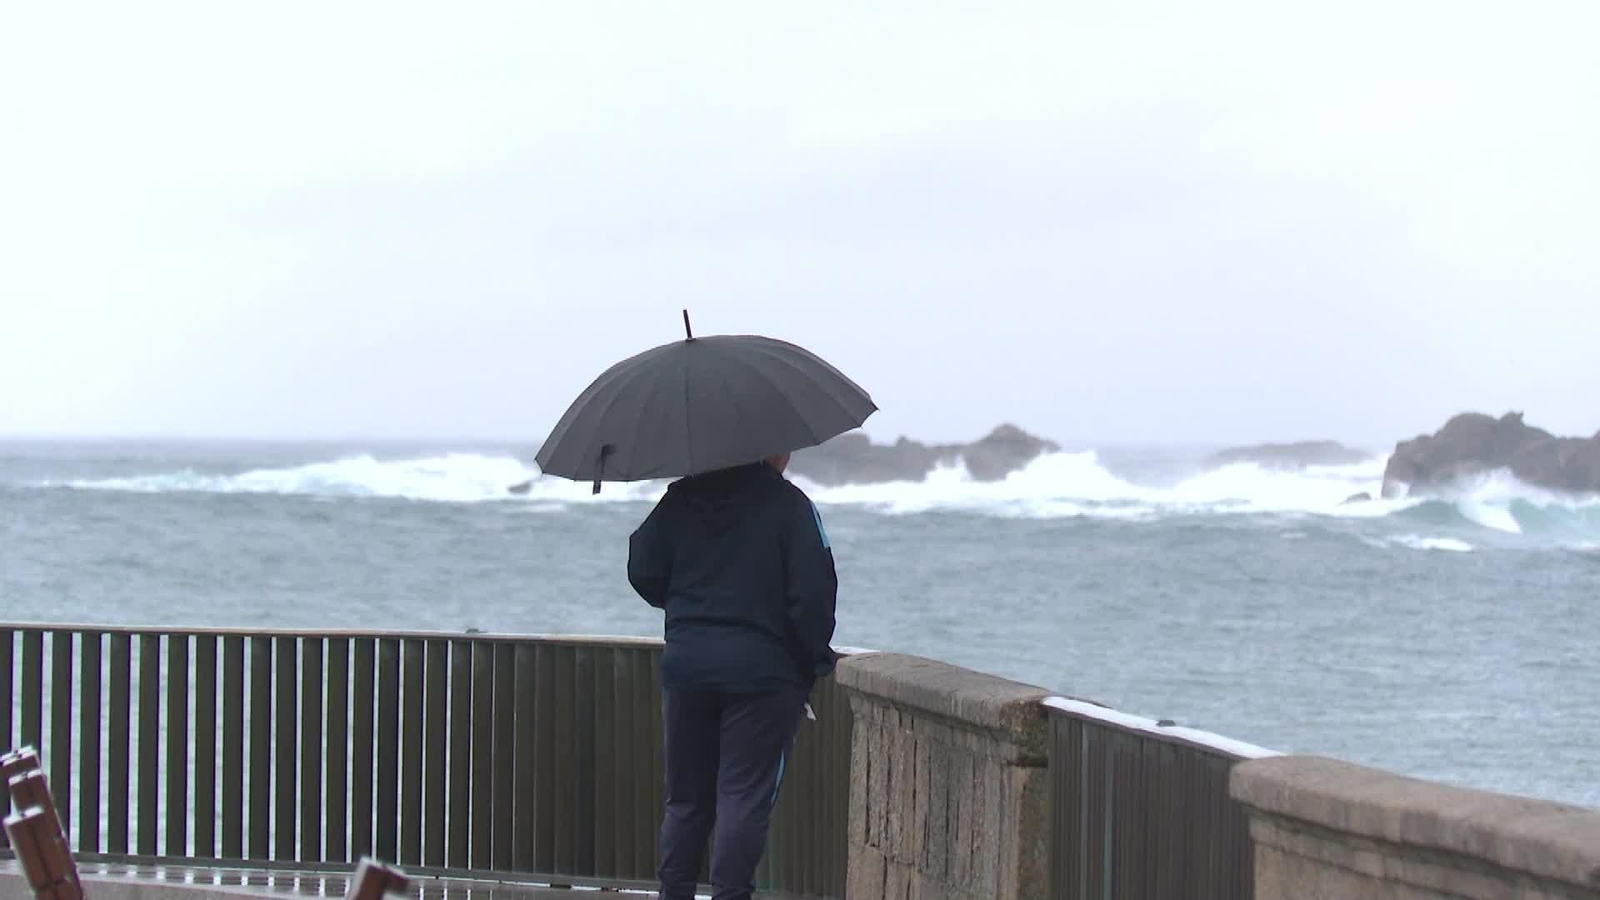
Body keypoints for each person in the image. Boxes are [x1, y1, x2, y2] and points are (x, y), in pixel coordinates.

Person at [627, 451, 838, 900]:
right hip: (764, 677)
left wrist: (687, 611)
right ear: (769, 448)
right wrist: (810, 662)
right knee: (743, 796)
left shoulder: (680, 498)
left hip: (689, 667)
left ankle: (675, 892)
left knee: (686, 801)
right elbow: (814, 597)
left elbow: (641, 567)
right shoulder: (792, 507)